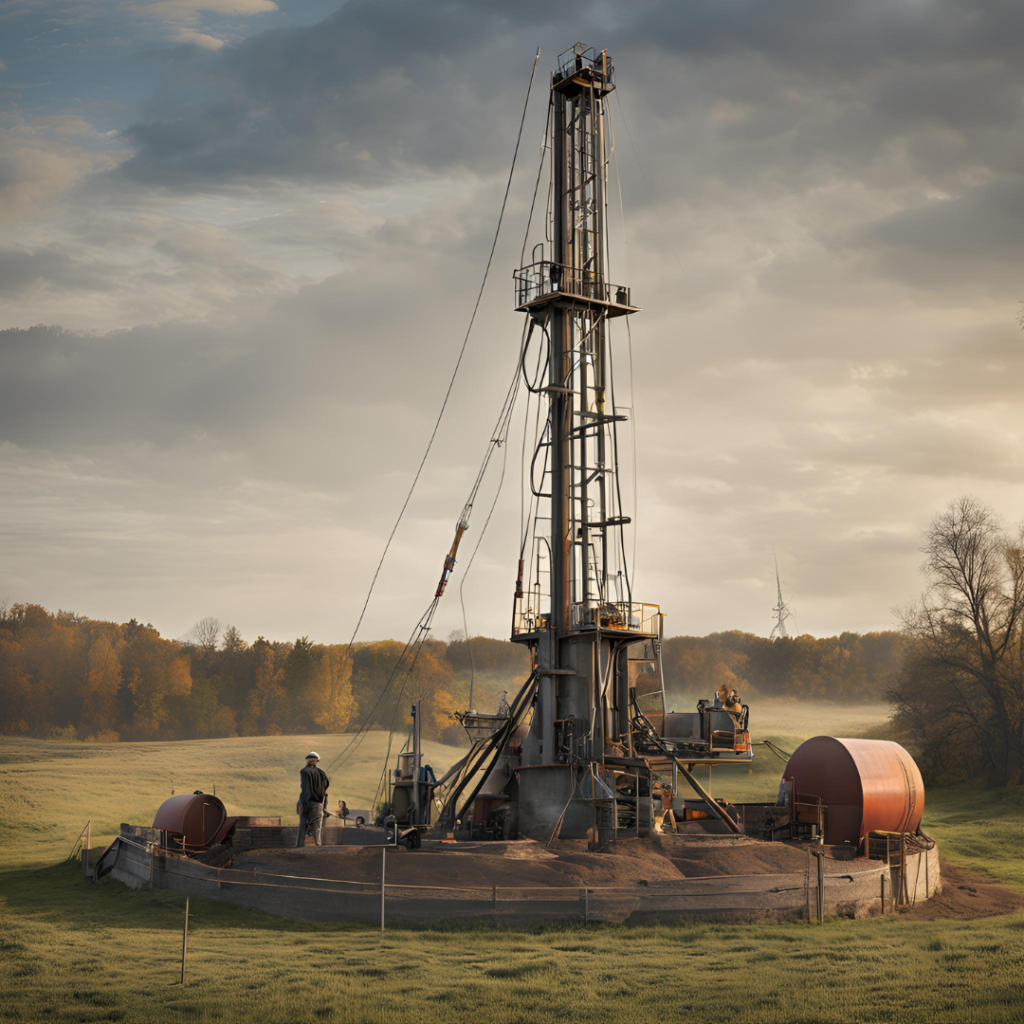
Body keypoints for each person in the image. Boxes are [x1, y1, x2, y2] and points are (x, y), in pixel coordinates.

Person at [296, 751, 330, 848]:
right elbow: (327, 784)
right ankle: (318, 846)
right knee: (317, 826)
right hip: (319, 803)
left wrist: (304, 802)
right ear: (315, 761)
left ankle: (300, 846)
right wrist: (320, 793)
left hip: (307, 802)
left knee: (303, 825)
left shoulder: (304, 771)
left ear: (308, 761)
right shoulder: (321, 772)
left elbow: (306, 788)